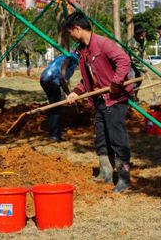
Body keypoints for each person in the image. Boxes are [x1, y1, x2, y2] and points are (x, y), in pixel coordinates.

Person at [63, 12, 134, 193]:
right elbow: (86, 79)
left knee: (117, 138)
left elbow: (123, 60)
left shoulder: (102, 44)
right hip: (100, 100)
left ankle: (124, 179)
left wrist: (116, 83)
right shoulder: (83, 51)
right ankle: (106, 173)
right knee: (101, 138)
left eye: (70, 32)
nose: (70, 36)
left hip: (115, 99)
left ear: (77, 29)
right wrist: (75, 93)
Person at [39, 53, 78, 142]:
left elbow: (62, 79)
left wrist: (68, 93)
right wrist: (69, 94)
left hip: (44, 78)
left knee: (53, 104)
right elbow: (62, 77)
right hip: (51, 80)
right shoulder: (72, 58)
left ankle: (52, 128)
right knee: (56, 107)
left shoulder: (63, 56)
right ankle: (54, 135)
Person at [126, 25, 148, 101]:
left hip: (139, 62)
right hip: (130, 64)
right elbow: (134, 59)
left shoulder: (144, 39)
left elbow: (143, 49)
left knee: (139, 81)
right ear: (136, 35)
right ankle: (130, 99)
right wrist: (144, 69)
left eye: (143, 35)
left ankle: (134, 96)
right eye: (139, 36)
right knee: (132, 81)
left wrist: (145, 57)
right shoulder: (132, 43)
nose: (142, 37)